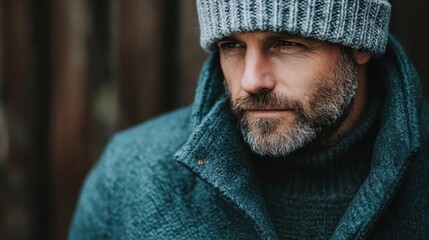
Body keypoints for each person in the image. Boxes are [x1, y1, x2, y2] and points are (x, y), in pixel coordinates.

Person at [69, 0, 429, 239]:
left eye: (286, 42)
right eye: (233, 46)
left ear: (361, 45)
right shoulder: (131, 177)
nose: (251, 81)